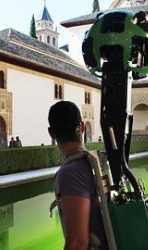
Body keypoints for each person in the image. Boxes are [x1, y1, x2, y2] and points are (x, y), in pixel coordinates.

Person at [48, 100, 108, 250]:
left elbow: (78, 243)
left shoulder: (71, 172)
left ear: (51, 133)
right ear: (82, 127)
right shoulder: (97, 161)